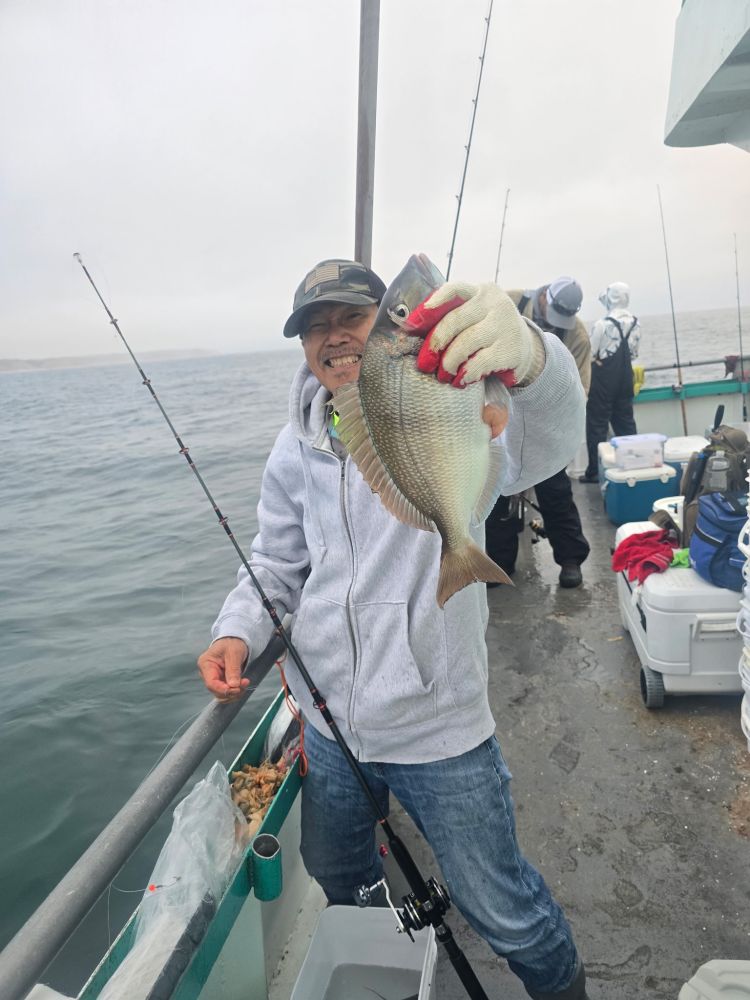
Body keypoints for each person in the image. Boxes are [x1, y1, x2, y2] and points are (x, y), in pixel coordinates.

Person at [197, 259, 590, 999]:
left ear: (386, 326)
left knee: (506, 912)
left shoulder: (450, 394)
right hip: (329, 724)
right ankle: (393, 952)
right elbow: (276, 562)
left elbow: (548, 441)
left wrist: (534, 356)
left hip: (436, 724)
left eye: (351, 317)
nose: (333, 337)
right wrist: (238, 632)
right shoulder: (295, 444)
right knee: (339, 870)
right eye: (316, 326)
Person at [484, 278, 591, 589]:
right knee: (494, 492)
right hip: (499, 411)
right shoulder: (510, 302)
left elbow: (581, 390)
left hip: (544, 422)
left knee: (556, 490)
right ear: (544, 297)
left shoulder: (578, 335)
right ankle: (497, 563)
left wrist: (561, 432)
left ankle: (571, 559)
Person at [579, 282, 641, 483]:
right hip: (625, 379)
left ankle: (595, 472)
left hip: (603, 381)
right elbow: (633, 354)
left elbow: (591, 354)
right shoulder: (635, 324)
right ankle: (634, 465)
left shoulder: (602, 325)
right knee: (626, 424)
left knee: (597, 425)